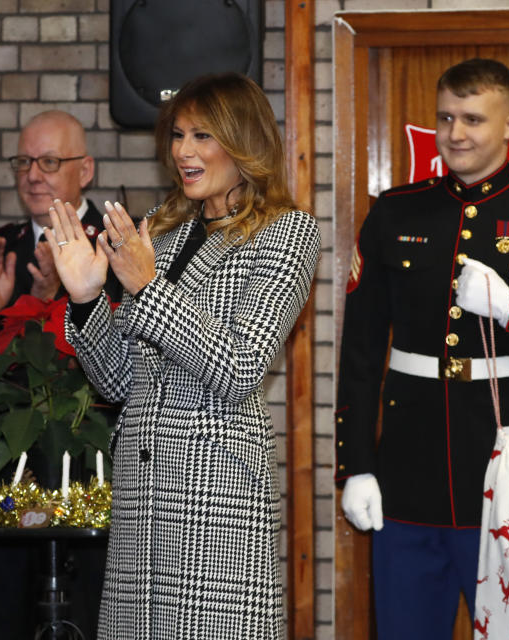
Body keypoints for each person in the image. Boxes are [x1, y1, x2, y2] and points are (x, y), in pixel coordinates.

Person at [43, 72, 319, 639]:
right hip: (141, 502)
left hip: (214, 499)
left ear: (244, 142)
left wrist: (149, 288)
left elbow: (242, 368)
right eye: (177, 136)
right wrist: (87, 298)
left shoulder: (286, 232)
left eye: (202, 137)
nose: (183, 152)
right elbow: (118, 382)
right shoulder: (162, 234)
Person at [335, 58, 509, 638]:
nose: (455, 134)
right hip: (407, 470)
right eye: (445, 117)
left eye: (473, 119)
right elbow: (359, 352)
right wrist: (356, 466)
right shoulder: (395, 211)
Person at [0, 110, 114, 640]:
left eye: (50, 161)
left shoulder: (124, 248)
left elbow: (124, 367)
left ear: (85, 170)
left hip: (91, 479)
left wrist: (60, 303)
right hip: (4, 481)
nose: (33, 174)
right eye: (23, 161)